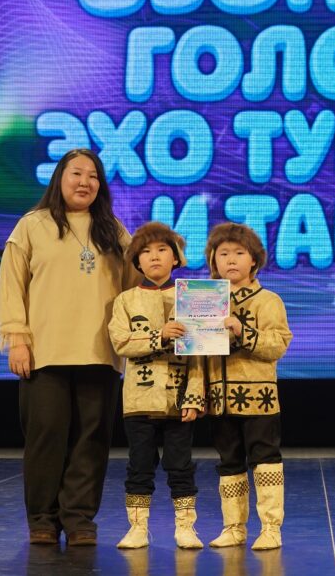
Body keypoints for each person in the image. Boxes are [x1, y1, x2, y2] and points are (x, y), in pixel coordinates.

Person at [0, 148, 138, 546]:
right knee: (46, 437)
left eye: (93, 176)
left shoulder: (112, 230)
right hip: (45, 352)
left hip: (100, 353)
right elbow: (11, 286)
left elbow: (135, 283)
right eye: (77, 173)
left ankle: (79, 520)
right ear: (60, 178)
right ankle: (42, 518)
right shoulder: (32, 225)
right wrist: (17, 339)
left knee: (92, 440)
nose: (85, 182)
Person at [108, 222, 206, 550]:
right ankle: (137, 528)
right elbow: (121, 342)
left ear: (176, 258)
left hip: (179, 400)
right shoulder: (125, 300)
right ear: (136, 261)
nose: (154, 257)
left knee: (181, 465)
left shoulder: (195, 298)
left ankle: (186, 527)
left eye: (162, 250)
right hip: (139, 399)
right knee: (139, 465)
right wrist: (159, 335)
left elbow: (201, 355)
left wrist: (195, 396)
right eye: (146, 252)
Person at [203, 222, 292, 550]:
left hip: (259, 398)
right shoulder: (204, 301)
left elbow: (278, 344)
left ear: (253, 259)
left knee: (265, 460)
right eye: (223, 253)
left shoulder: (268, 301)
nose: (231, 259)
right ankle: (234, 527)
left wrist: (243, 332)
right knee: (229, 462)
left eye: (239, 253)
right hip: (220, 398)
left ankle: (270, 528)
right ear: (213, 260)